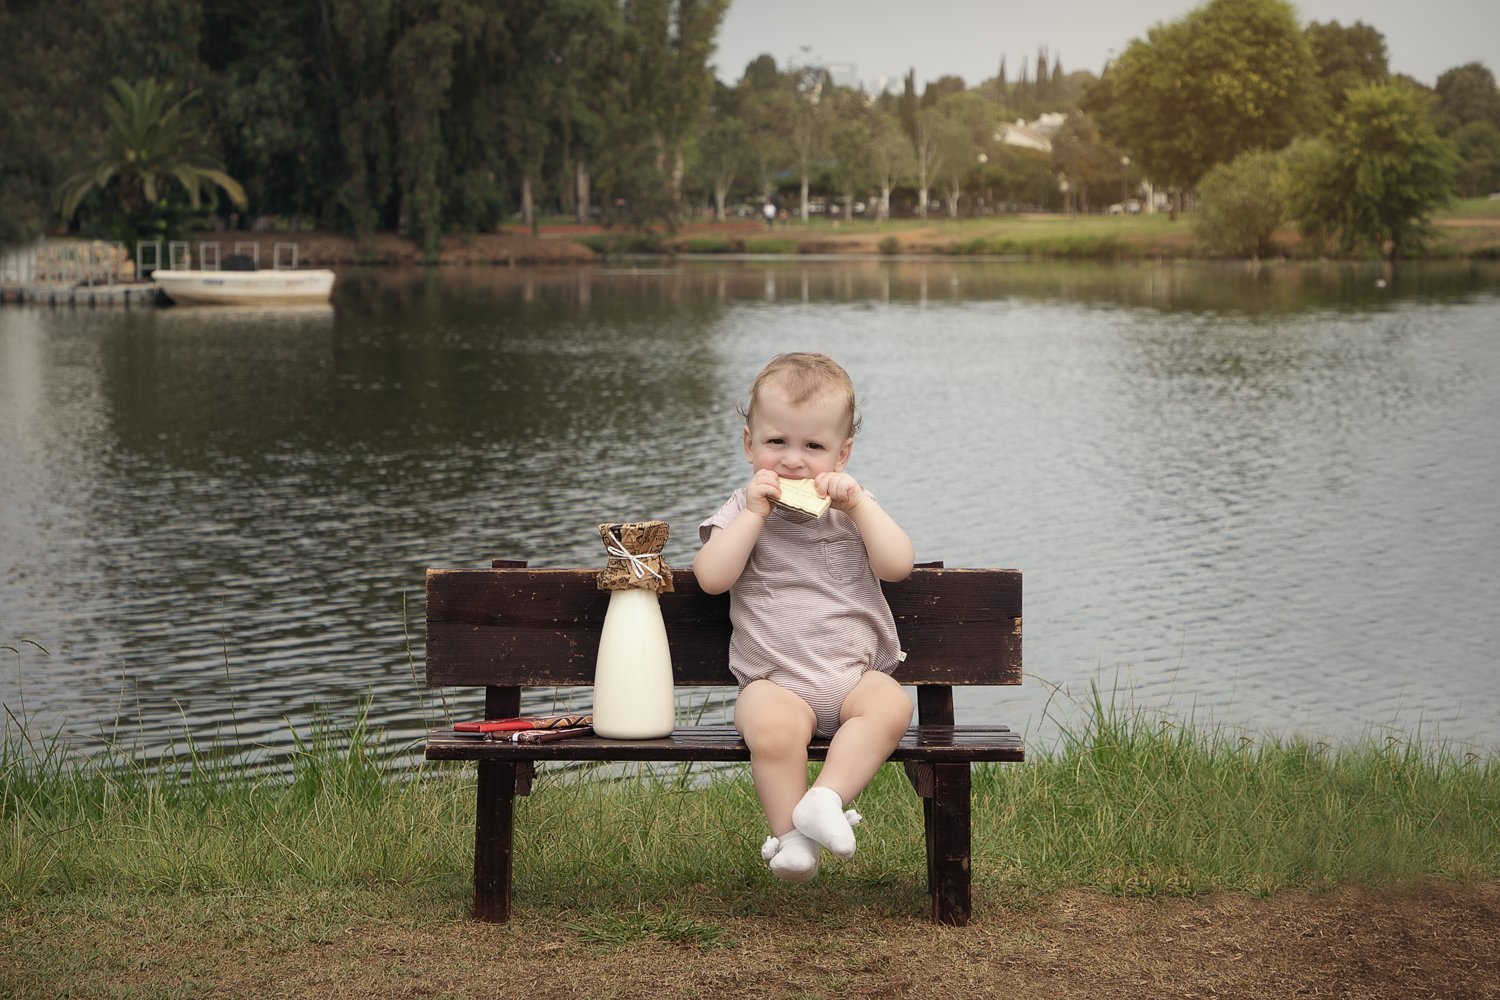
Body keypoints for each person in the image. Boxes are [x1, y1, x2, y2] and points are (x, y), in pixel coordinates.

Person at [694, 353, 916, 882]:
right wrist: (752, 515)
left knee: (891, 704)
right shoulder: (742, 508)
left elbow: (898, 565)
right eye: (777, 443)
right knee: (770, 729)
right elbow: (711, 577)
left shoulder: (854, 508)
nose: (793, 461)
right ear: (750, 445)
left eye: (813, 447)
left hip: (851, 676)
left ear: (842, 455)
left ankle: (825, 799)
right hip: (775, 680)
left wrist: (860, 506)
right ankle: (791, 840)